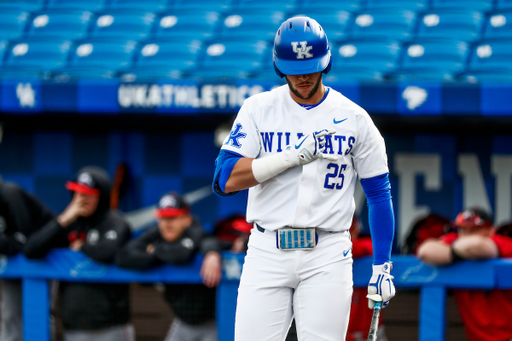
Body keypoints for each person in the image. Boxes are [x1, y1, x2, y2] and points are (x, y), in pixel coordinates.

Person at [212, 16, 395, 341]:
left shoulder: (354, 118)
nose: (304, 76)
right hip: (267, 246)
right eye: (295, 69)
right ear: (280, 67)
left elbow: (379, 194)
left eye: (310, 66)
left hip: (327, 250)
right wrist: (289, 157)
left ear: (325, 62)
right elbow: (224, 179)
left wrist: (382, 265)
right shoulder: (258, 109)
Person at [23, 166, 134, 341]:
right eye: (78, 193)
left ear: (101, 195)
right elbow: (31, 250)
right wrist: (63, 220)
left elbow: (107, 252)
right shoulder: (69, 223)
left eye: (88, 194)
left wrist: (82, 247)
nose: (82, 199)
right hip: (74, 326)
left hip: (111, 325)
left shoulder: (115, 222)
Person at [116, 192, 215, 341]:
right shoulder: (158, 233)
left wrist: (212, 253)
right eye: (163, 218)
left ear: (186, 219)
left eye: (173, 217)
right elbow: (123, 256)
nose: (167, 223)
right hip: (182, 321)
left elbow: (182, 254)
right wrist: (157, 255)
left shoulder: (195, 230)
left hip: (211, 322)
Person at [417, 207, 512, 341]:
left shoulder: (503, 242)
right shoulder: (457, 241)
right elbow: (425, 250)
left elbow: (477, 246)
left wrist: (450, 254)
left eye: (473, 230)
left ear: (491, 230)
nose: (466, 235)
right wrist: (457, 254)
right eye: (462, 229)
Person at [0, 179, 55, 341]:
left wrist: (4, 242)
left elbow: (28, 241)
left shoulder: (10, 193)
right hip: (14, 265)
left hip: (42, 261)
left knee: (37, 315)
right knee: (10, 315)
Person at [347, 216, 387, 341]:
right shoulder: (324, 253)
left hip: (369, 331)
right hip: (341, 332)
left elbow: (377, 249)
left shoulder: (368, 244)